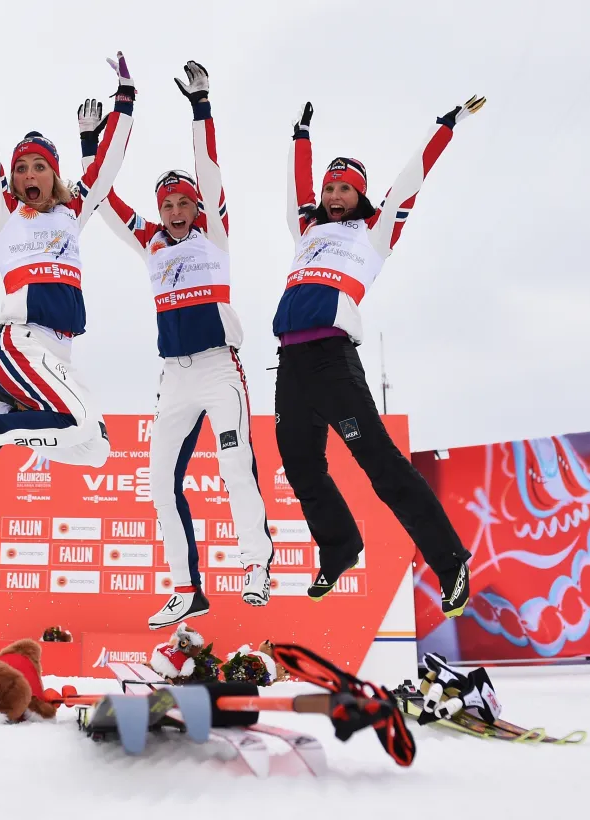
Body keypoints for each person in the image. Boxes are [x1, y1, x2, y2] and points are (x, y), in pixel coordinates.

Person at [274, 97, 485, 616]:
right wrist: (300, 137)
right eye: (328, 188)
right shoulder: (307, 231)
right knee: (300, 465)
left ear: (362, 194)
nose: (332, 195)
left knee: (382, 468)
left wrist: (445, 126)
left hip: (333, 359)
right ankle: (340, 548)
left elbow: (412, 178)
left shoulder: (374, 233)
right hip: (291, 365)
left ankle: (451, 560)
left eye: (344, 187)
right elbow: (296, 190)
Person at [89, 61, 274, 627]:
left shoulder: (214, 235)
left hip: (219, 370)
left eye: (182, 204)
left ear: (197, 208)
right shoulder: (148, 242)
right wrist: (86, 142)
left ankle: (256, 567)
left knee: (235, 465)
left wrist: (201, 105)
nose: (172, 212)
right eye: (165, 204)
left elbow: (210, 171)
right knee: (157, 484)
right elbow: (101, 198)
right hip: (174, 376)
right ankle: (185, 587)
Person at [0, 35, 135, 484]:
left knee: (95, 449)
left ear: (54, 174)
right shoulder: (3, 213)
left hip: (59, 348)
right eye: (22, 168)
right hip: (20, 343)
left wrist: (125, 99)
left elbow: (108, 167)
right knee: (77, 423)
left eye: (39, 166)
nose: (28, 174)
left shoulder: (71, 212)